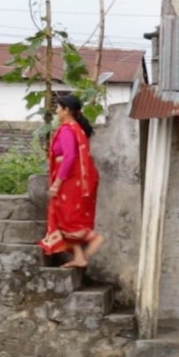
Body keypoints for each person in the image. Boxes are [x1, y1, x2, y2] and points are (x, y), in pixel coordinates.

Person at [38, 94, 104, 268]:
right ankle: (80, 257)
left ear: (67, 110)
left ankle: (93, 238)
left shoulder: (68, 130)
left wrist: (57, 183)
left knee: (69, 218)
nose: (57, 111)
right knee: (63, 216)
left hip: (69, 180)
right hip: (72, 179)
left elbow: (69, 157)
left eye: (59, 108)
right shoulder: (75, 129)